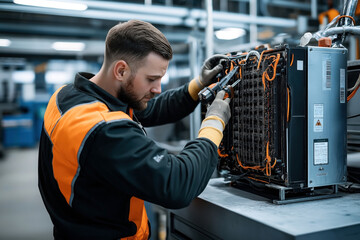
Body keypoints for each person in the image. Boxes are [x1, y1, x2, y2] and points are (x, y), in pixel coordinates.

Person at [38, 19, 231, 240]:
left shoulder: (68, 96)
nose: (158, 89)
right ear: (121, 70)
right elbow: (176, 183)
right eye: (152, 79)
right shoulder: (103, 130)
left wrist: (197, 85)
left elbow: (148, 109)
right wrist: (214, 123)